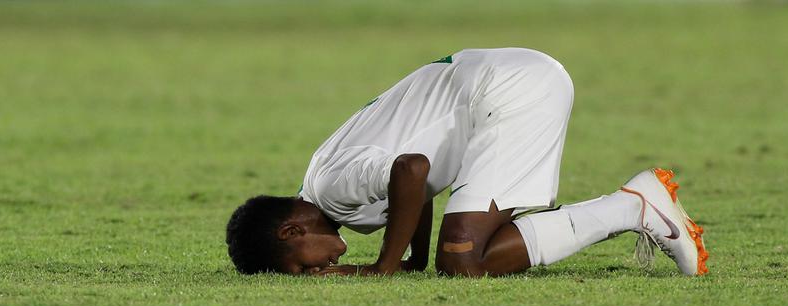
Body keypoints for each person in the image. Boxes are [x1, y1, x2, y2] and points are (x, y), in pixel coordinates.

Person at [225, 48, 707, 278]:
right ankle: (631, 206)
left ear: (292, 233)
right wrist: (413, 259)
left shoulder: (330, 187)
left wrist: (384, 267)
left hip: (510, 92)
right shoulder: (330, 190)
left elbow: (411, 169)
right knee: (454, 259)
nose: (318, 269)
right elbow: (413, 190)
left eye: (300, 268)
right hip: (507, 85)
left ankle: (632, 207)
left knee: (460, 261)